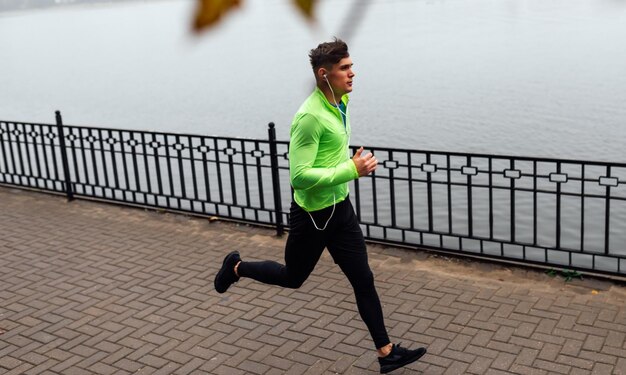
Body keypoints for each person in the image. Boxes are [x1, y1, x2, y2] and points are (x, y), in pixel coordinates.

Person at [214, 38, 427, 374]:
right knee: (292, 277)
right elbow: (299, 176)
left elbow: (326, 158)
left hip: (340, 210)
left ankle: (387, 353)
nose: (353, 73)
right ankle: (237, 267)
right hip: (312, 218)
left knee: (364, 280)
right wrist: (350, 170)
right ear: (324, 75)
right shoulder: (309, 117)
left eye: (351, 66)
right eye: (345, 69)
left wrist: (348, 164)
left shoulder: (339, 103)